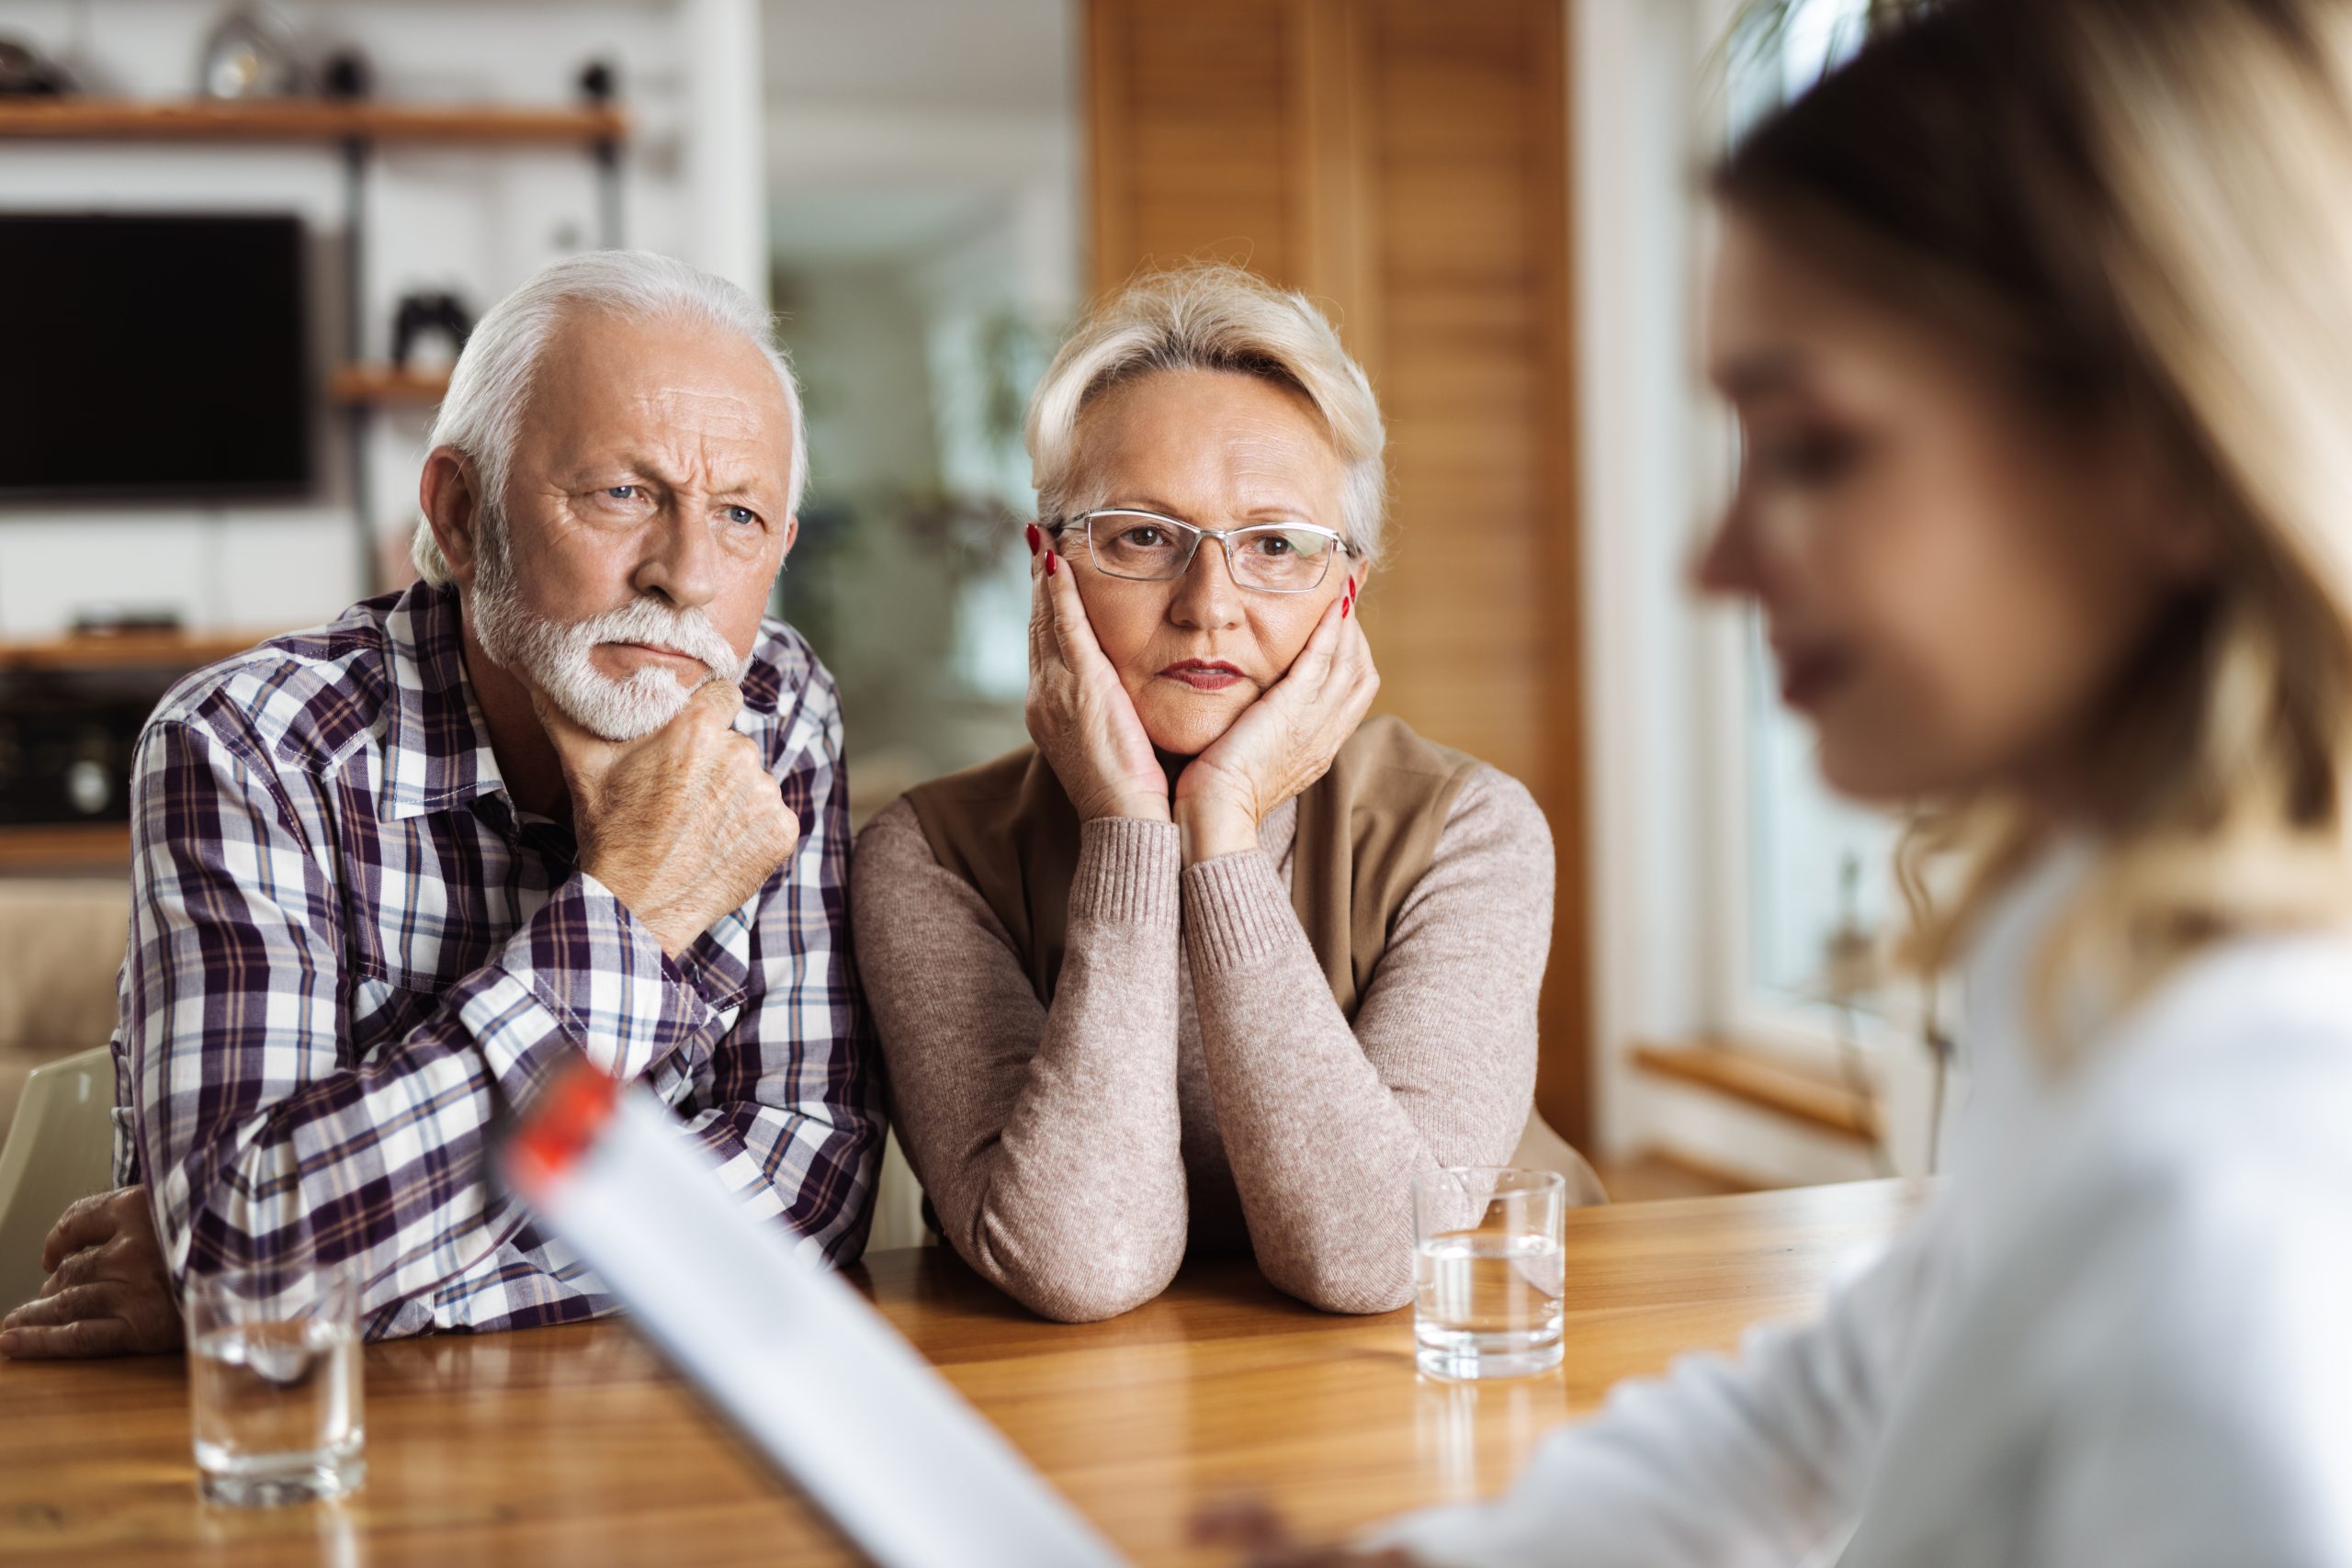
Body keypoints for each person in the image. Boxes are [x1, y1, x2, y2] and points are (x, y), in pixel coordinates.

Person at [1205, 0, 2352, 1562]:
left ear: (2160, 452)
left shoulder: (2244, 1205)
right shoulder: (2095, 965)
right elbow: (1838, 1399)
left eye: (1812, 450)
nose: (1718, 559)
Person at [0, 251, 880, 1358]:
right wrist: (633, 915)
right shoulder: (245, 747)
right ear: (461, 514)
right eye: (624, 493)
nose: (689, 574)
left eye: (742, 516)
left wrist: (361, 1290)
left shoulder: (780, 707)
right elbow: (251, 1251)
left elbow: (812, 1174)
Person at [852, 265, 1603, 1325]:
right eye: (1144, 536)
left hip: (1440, 1378)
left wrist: (1223, 825)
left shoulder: (1468, 831)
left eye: (1275, 546)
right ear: (1048, 568)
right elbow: (1081, 1257)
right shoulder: (928, 858)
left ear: (1346, 588)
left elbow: (1375, 1261)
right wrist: (1128, 832)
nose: (1209, 607)